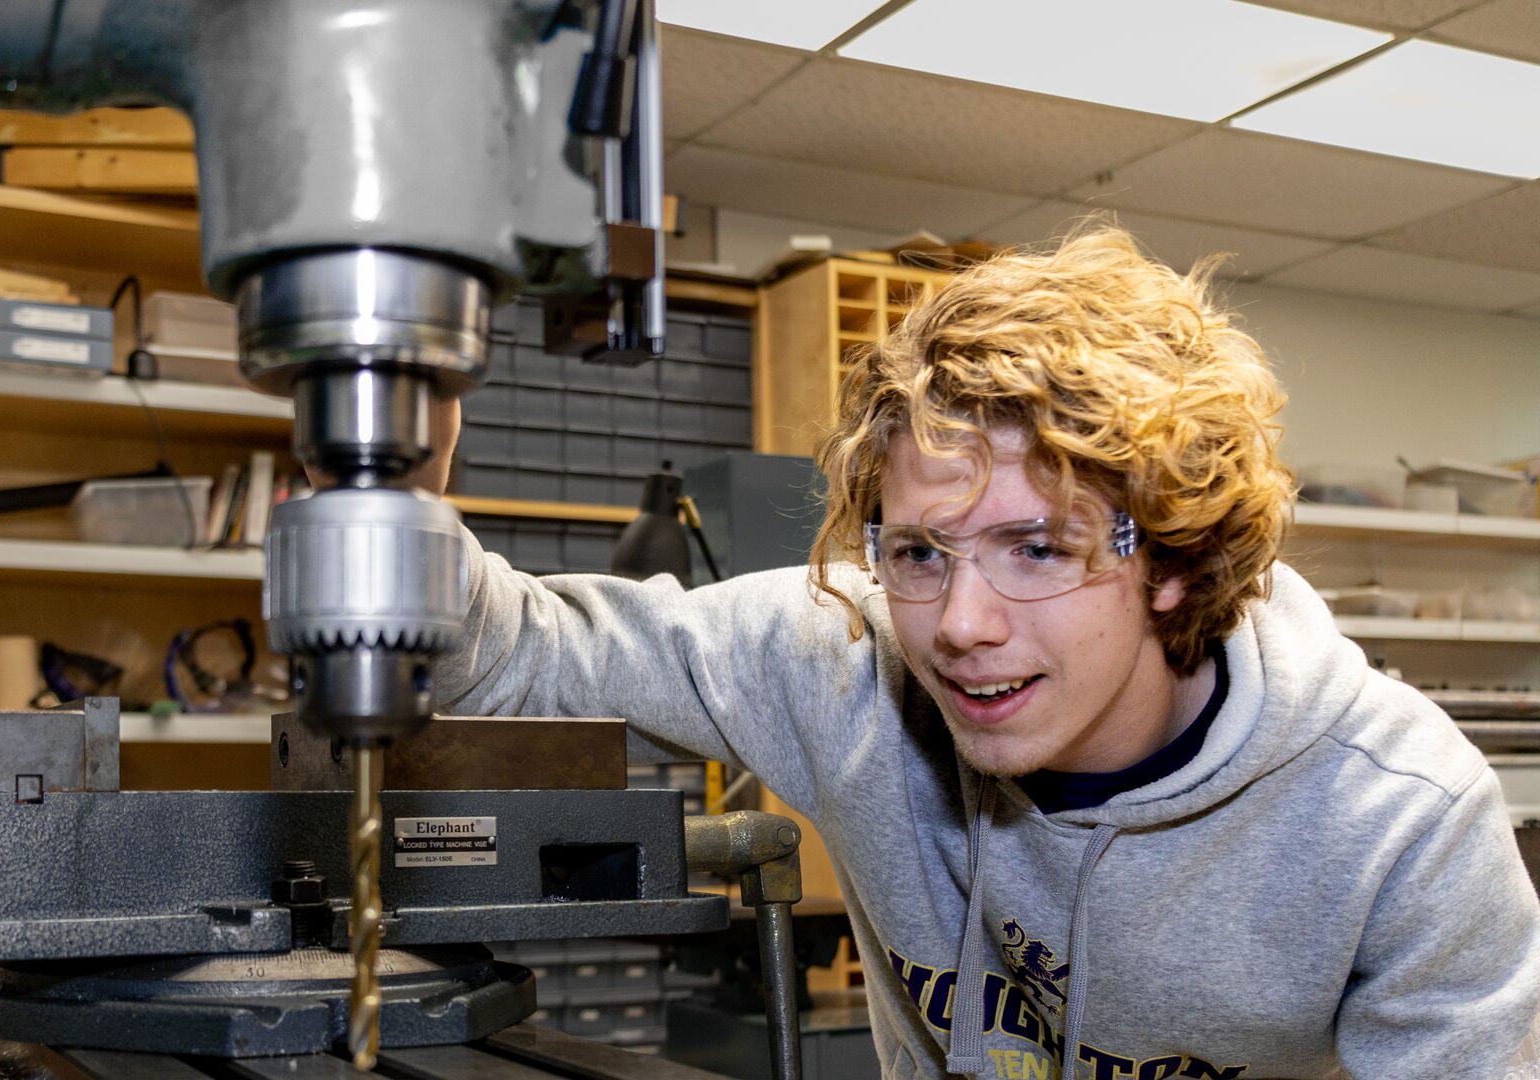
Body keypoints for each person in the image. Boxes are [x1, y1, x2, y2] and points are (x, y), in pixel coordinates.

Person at [424, 226, 1540, 1078]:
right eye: (918, 550)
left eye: (1038, 549)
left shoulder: (1403, 820)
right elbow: (512, 650)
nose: (960, 623)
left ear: (1176, 565)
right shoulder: (847, 661)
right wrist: (393, 487)